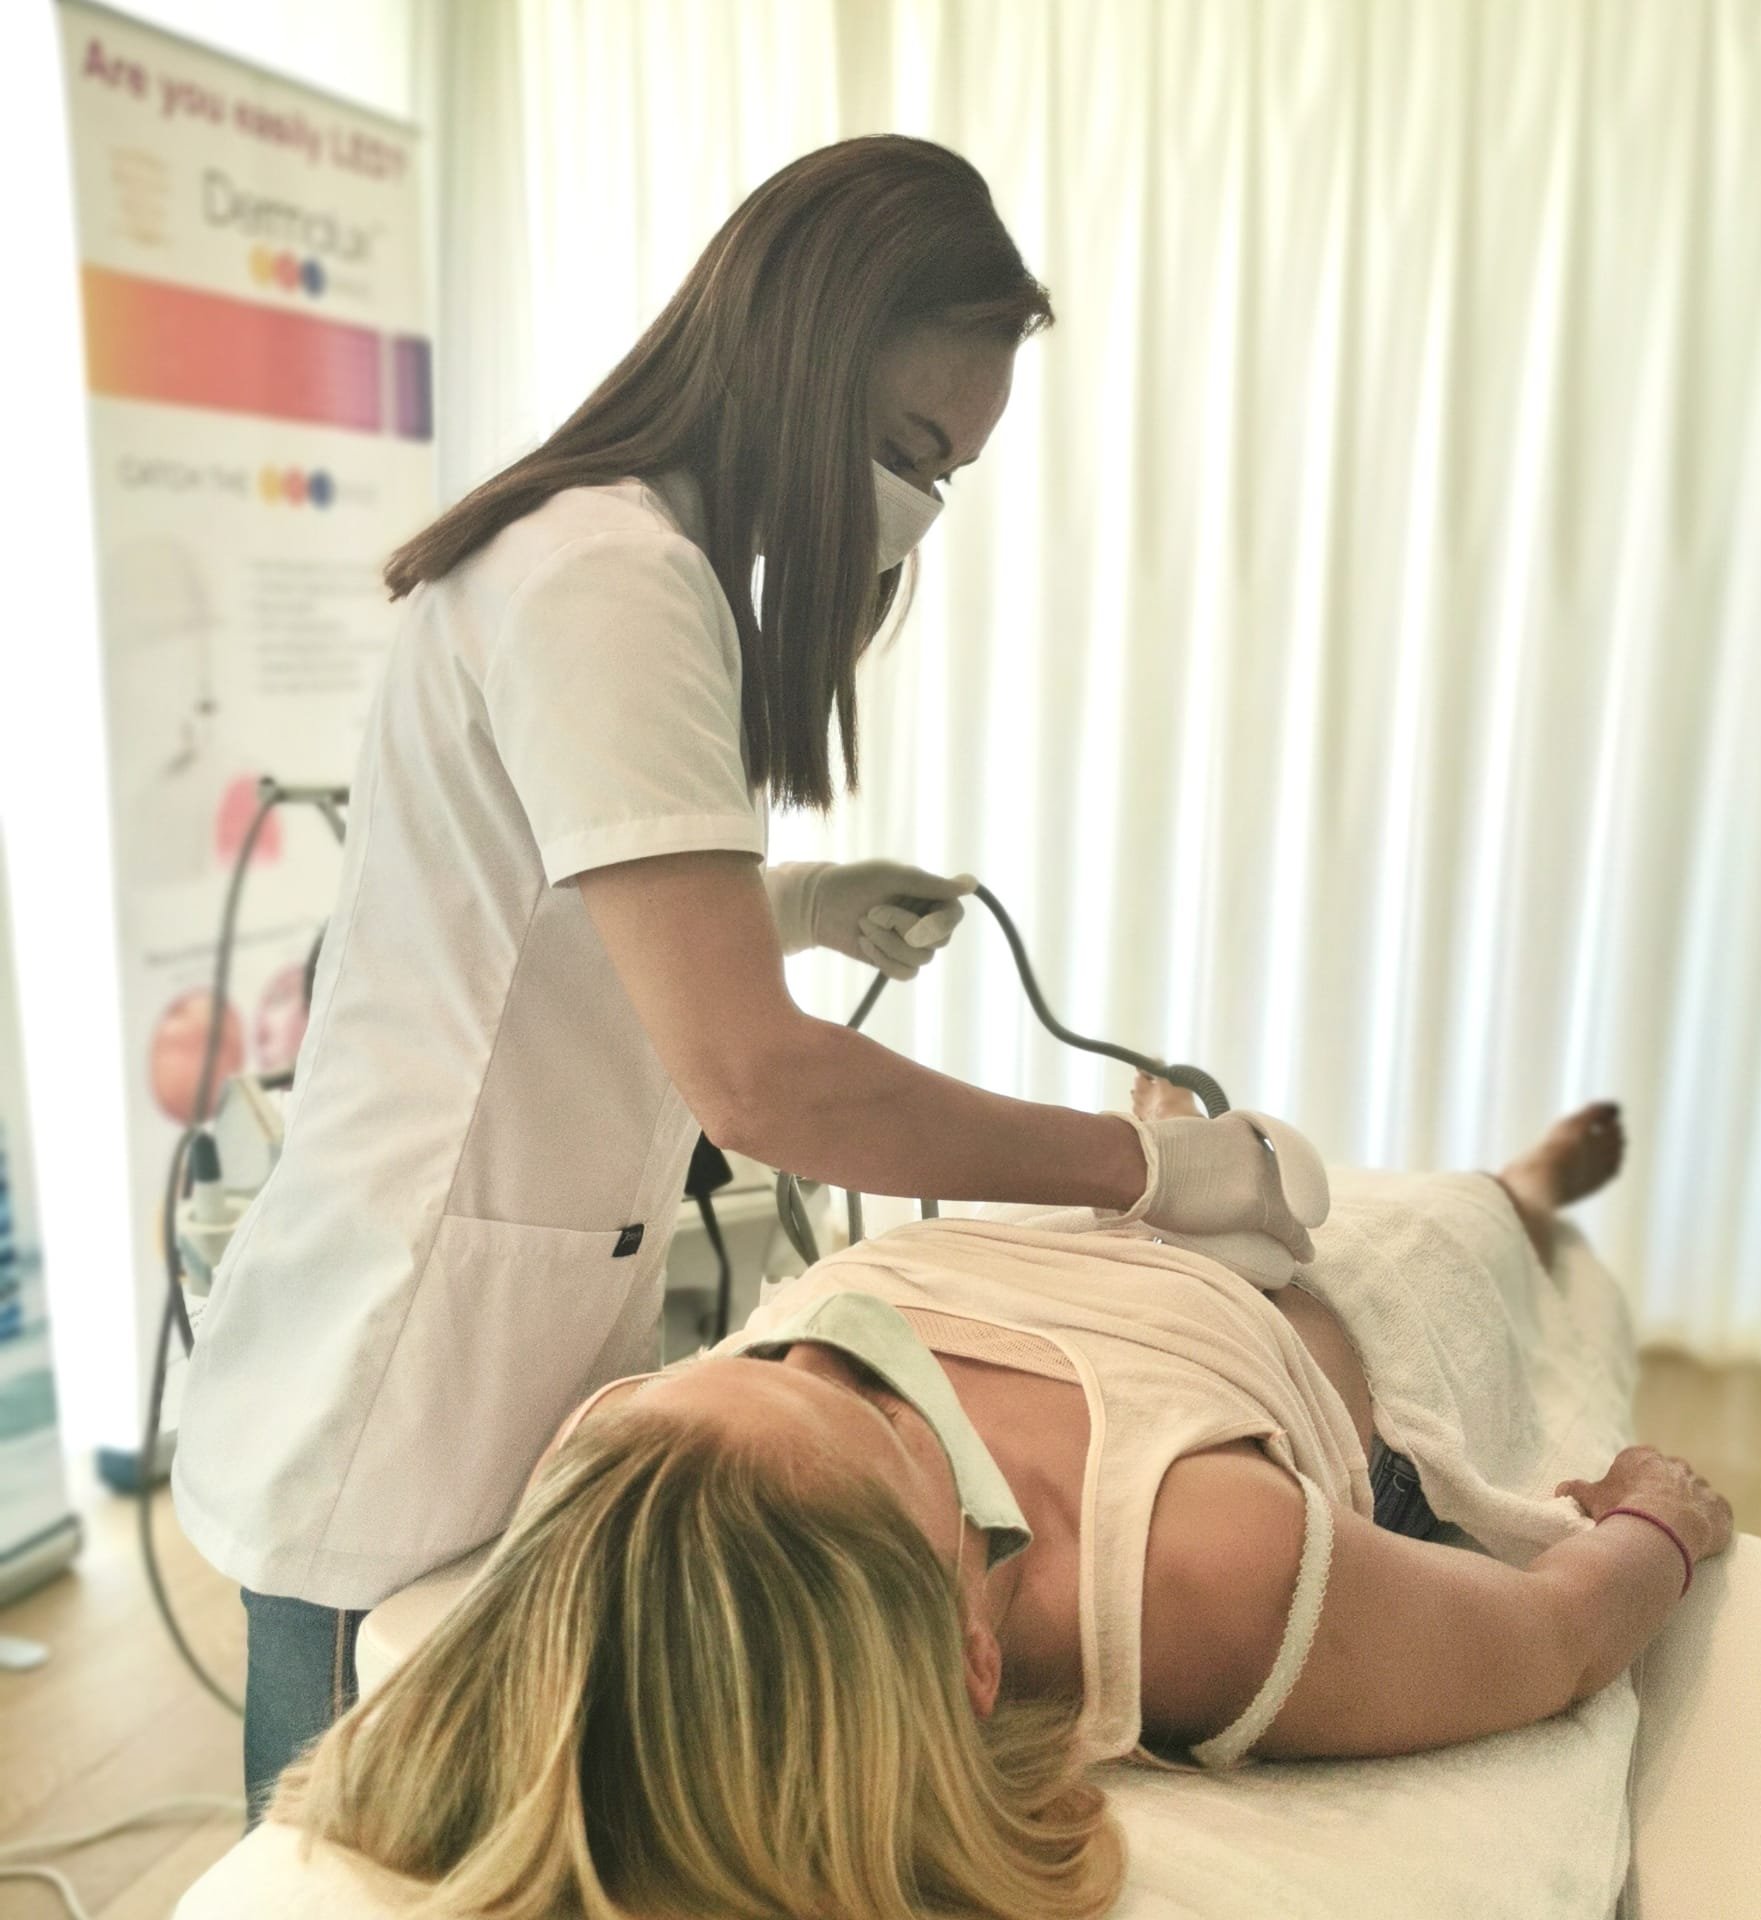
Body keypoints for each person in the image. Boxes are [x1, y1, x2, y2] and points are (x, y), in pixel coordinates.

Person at [171, 135, 1322, 1815]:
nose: (915, 509)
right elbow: (759, 1081)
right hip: (406, 1371)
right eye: (906, 450)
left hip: (500, 1334)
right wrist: (1148, 1165)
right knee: (352, 1850)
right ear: (800, 355)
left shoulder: (623, 561)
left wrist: (804, 902)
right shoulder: (610, 574)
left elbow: (556, 905)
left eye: (951, 474)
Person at [175, 1091, 1733, 1920]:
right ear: (974, 1652)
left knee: (1219, 1132)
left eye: (772, 1349)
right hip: (1294, 1302)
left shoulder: (632, 1456)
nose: (854, 1351)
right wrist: (1655, 1526)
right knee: (1431, 1215)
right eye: (870, 1403)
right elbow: (1546, 1635)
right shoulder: (1196, 1571)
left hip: (1059, 1224)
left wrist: (1137, 1163)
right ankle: (1520, 1188)